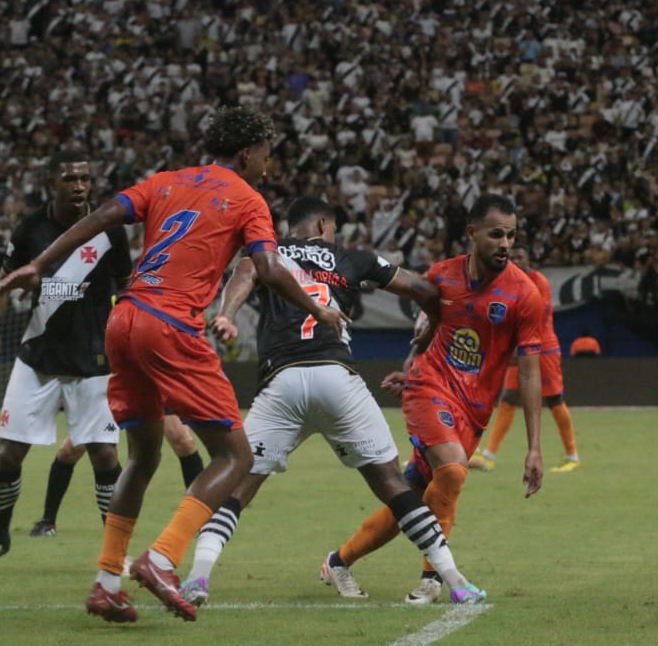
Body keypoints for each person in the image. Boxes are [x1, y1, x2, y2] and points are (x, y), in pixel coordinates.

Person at [0, 107, 346, 623]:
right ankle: (161, 559)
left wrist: (39, 263)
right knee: (235, 457)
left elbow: (102, 216)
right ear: (247, 153)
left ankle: (107, 580)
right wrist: (318, 307)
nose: (267, 168)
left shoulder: (165, 181)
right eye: (265, 157)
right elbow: (267, 268)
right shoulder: (248, 199)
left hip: (125, 319)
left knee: (143, 455)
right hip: (170, 325)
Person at [178, 196, 485, 607]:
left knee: (239, 484)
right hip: (336, 378)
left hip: (281, 382)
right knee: (392, 483)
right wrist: (429, 326)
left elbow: (244, 274)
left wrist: (227, 314)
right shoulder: (351, 257)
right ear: (324, 224)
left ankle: (198, 577)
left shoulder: (266, 252)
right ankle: (455, 579)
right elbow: (424, 290)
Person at [322, 193, 546, 604]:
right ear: (472, 233)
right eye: (496, 234)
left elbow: (531, 371)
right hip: (430, 387)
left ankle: (339, 560)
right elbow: (425, 328)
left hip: (474, 411)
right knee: (455, 470)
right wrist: (410, 371)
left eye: (511, 236)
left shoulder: (524, 294)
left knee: (409, 496)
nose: (505, 244)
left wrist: (534, 447)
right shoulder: (442, 276)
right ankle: (433, 578)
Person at [0, 151, 132, 573]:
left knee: (106, 458)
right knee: (8, 455)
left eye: (85, 180)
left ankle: (115, 553)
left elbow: (129, 287)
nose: (79, 187)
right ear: (51, 182)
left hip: (94, 362)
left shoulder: (109, 230)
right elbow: (3, 284)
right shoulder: (30, 229)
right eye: (70, 179)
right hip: (38, 358)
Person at [470, 247, 581, 473]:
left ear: (529, 259)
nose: (517, 261)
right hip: (519, 348)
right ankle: (489, 455)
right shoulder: (505, 281)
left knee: (554, 400)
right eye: (514, 257)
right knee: (509, 398)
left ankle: (572, 455)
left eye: (522, 257)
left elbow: (534, 317)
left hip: (542, 348)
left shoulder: (538, 282)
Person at [29, 414, 204, 537]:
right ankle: (48, 520)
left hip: (154, 383)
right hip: (117, 389)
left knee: (183, 441)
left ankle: (199, 522)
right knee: (69, 451)